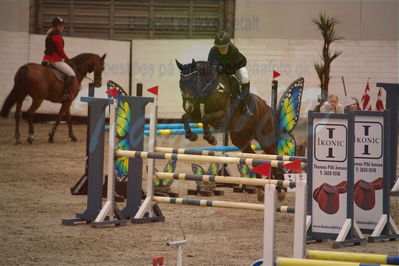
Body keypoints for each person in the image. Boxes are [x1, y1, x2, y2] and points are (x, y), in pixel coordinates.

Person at [207, 31, 253, 117]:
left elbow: (232, 70)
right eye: (220, 47)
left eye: (224, 46)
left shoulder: (233, 50)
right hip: (223, 68)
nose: (222, 49)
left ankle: (245, 106)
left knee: (245, 77)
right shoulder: (213, 51)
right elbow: (210, 65)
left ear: (228, 44)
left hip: (237, 67)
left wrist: (221, 69)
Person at [42, 17, 75, 101]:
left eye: (62, 26)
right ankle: (66, 94)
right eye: (61, 26)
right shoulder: (57, 36)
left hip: (46, 60)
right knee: (71, 74)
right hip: (55, 61)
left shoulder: (49, 35)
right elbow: (60, 50)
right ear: (56, 26)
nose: (62, 27)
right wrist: (67, 58)